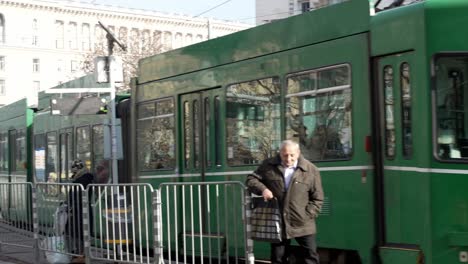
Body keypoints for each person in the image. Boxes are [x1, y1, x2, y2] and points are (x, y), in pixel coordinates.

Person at [246, 140, 324, 264]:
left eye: (292, 155)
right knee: (278, 258)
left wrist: (307, 215)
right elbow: (251, 179)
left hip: (303, 224)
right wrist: (263, 189)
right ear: (280, 153)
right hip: (278, 222)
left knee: (310, 258)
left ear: (298, 153)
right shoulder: (268, 165)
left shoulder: (310, 170)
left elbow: (318, 198)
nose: (288, 159)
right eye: (285, 155)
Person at [66, 159, 94, 263]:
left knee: (78, 232)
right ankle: (80, 253)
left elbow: (75, 196)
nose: (72, 172)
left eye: (73, 170)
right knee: (80, 232)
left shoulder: (81, 180)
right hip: (81, 210)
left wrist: (68, 204)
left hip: (79, 211)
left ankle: (81, 255)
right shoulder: (85, 178)